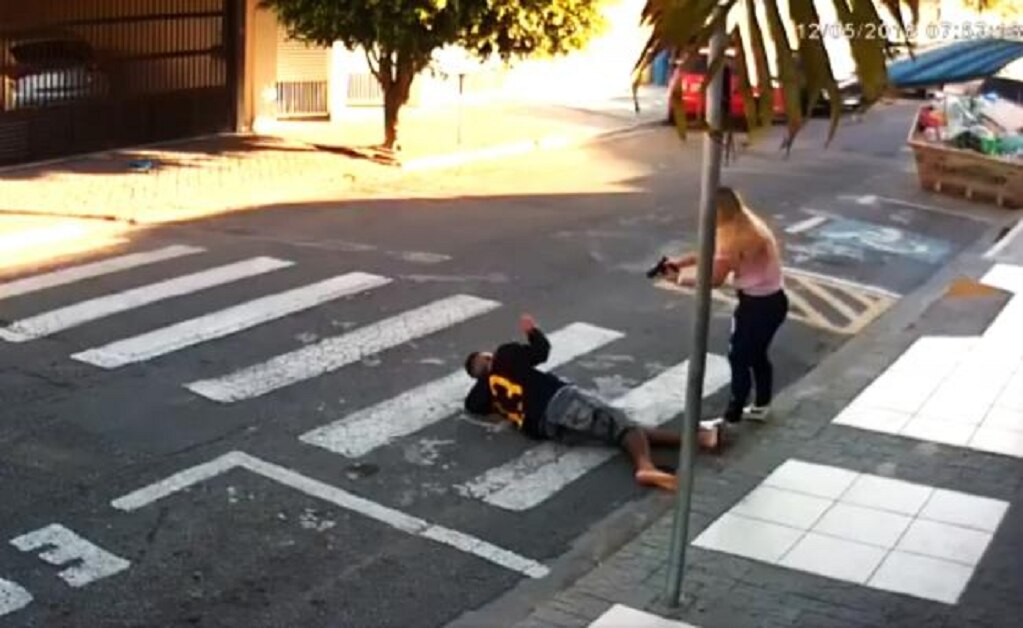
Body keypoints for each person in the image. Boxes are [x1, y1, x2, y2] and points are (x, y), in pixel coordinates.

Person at [463, 313, 723, 493]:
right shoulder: (505, 355)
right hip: (559, 402)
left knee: (619, 430)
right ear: (488, 358)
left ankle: (697, 440)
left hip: (544, 428)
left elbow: (472, 405)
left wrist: (483, 381)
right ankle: (645, 467)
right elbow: (541, 352)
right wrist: (532, 331)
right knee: (622, 426)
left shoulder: (486, 389)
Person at [665, 186, 788, 424]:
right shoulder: (744, 221)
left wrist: (679, 278)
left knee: (739, 356)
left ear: (718, 211)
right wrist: (681, 263)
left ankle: (733, 415)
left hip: (759, 305)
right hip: (771, 301)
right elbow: (712, 252)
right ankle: (761, 405)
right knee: (756, 355)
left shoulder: (736, 236)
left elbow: (714, 279)